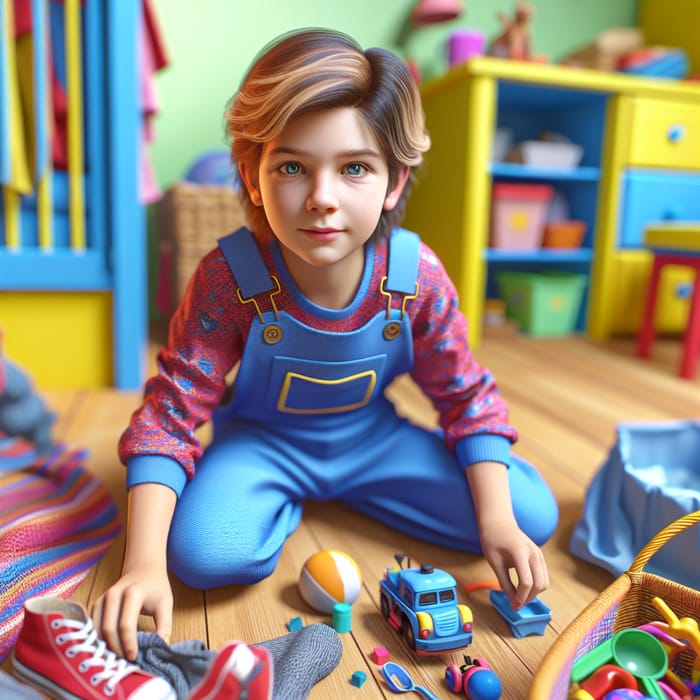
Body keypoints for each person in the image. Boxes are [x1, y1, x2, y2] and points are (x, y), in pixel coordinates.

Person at [93, 28, 558, 662]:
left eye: (355, 168)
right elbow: (170, 412)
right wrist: (141, 562)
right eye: (291, 166)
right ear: (252, 178)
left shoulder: (415, 277)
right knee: (201, 554)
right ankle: (281, 499)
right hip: (262, 445)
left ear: (394, 183)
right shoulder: (229, 278)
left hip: (375, 442)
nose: (321, 198)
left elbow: (466, 394)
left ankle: (354, 494)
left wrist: (497, 521)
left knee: (527, 514)